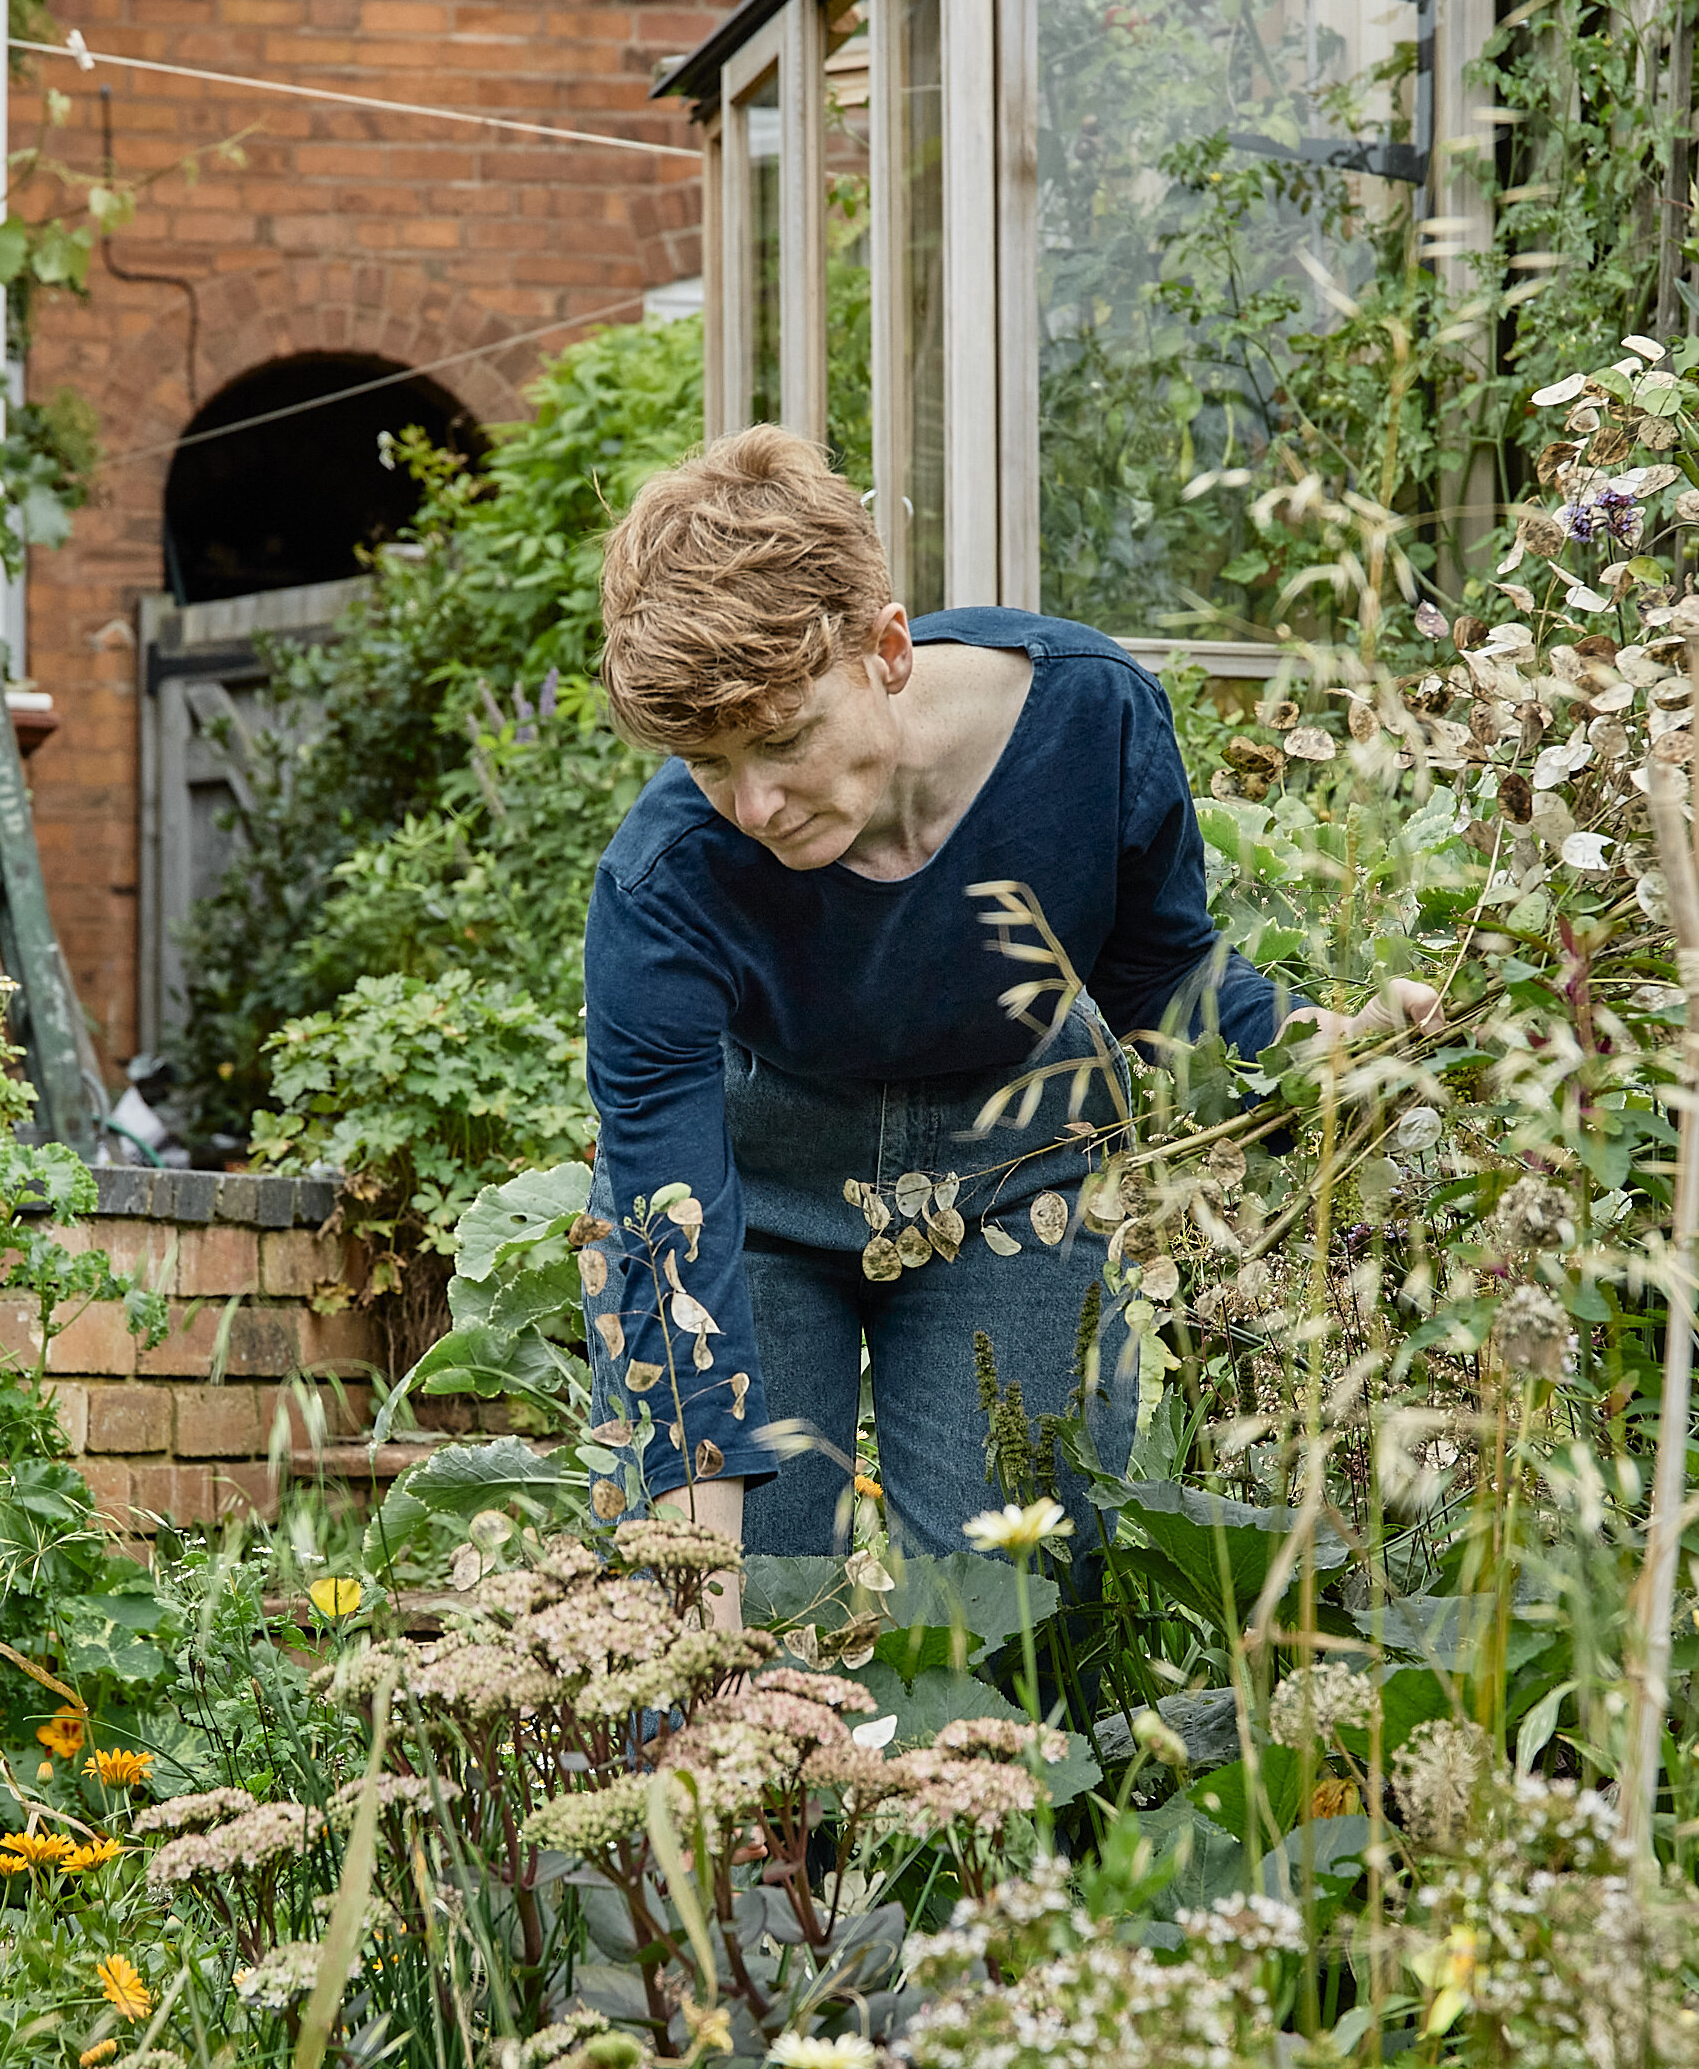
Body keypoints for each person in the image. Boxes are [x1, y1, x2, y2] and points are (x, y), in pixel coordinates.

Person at [581, 425, 1437, 1604]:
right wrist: (699, 1606)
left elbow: (1159, 987)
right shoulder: (662, 884)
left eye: (780, 739)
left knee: (1002, 1620)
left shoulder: (1091, 724)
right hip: (760, 1194)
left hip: (1018, 1171)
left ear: (885, 648)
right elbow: (670, 1235)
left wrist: (1317, 1049)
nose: (756, 804)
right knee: (753, 1613)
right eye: (708, 765)